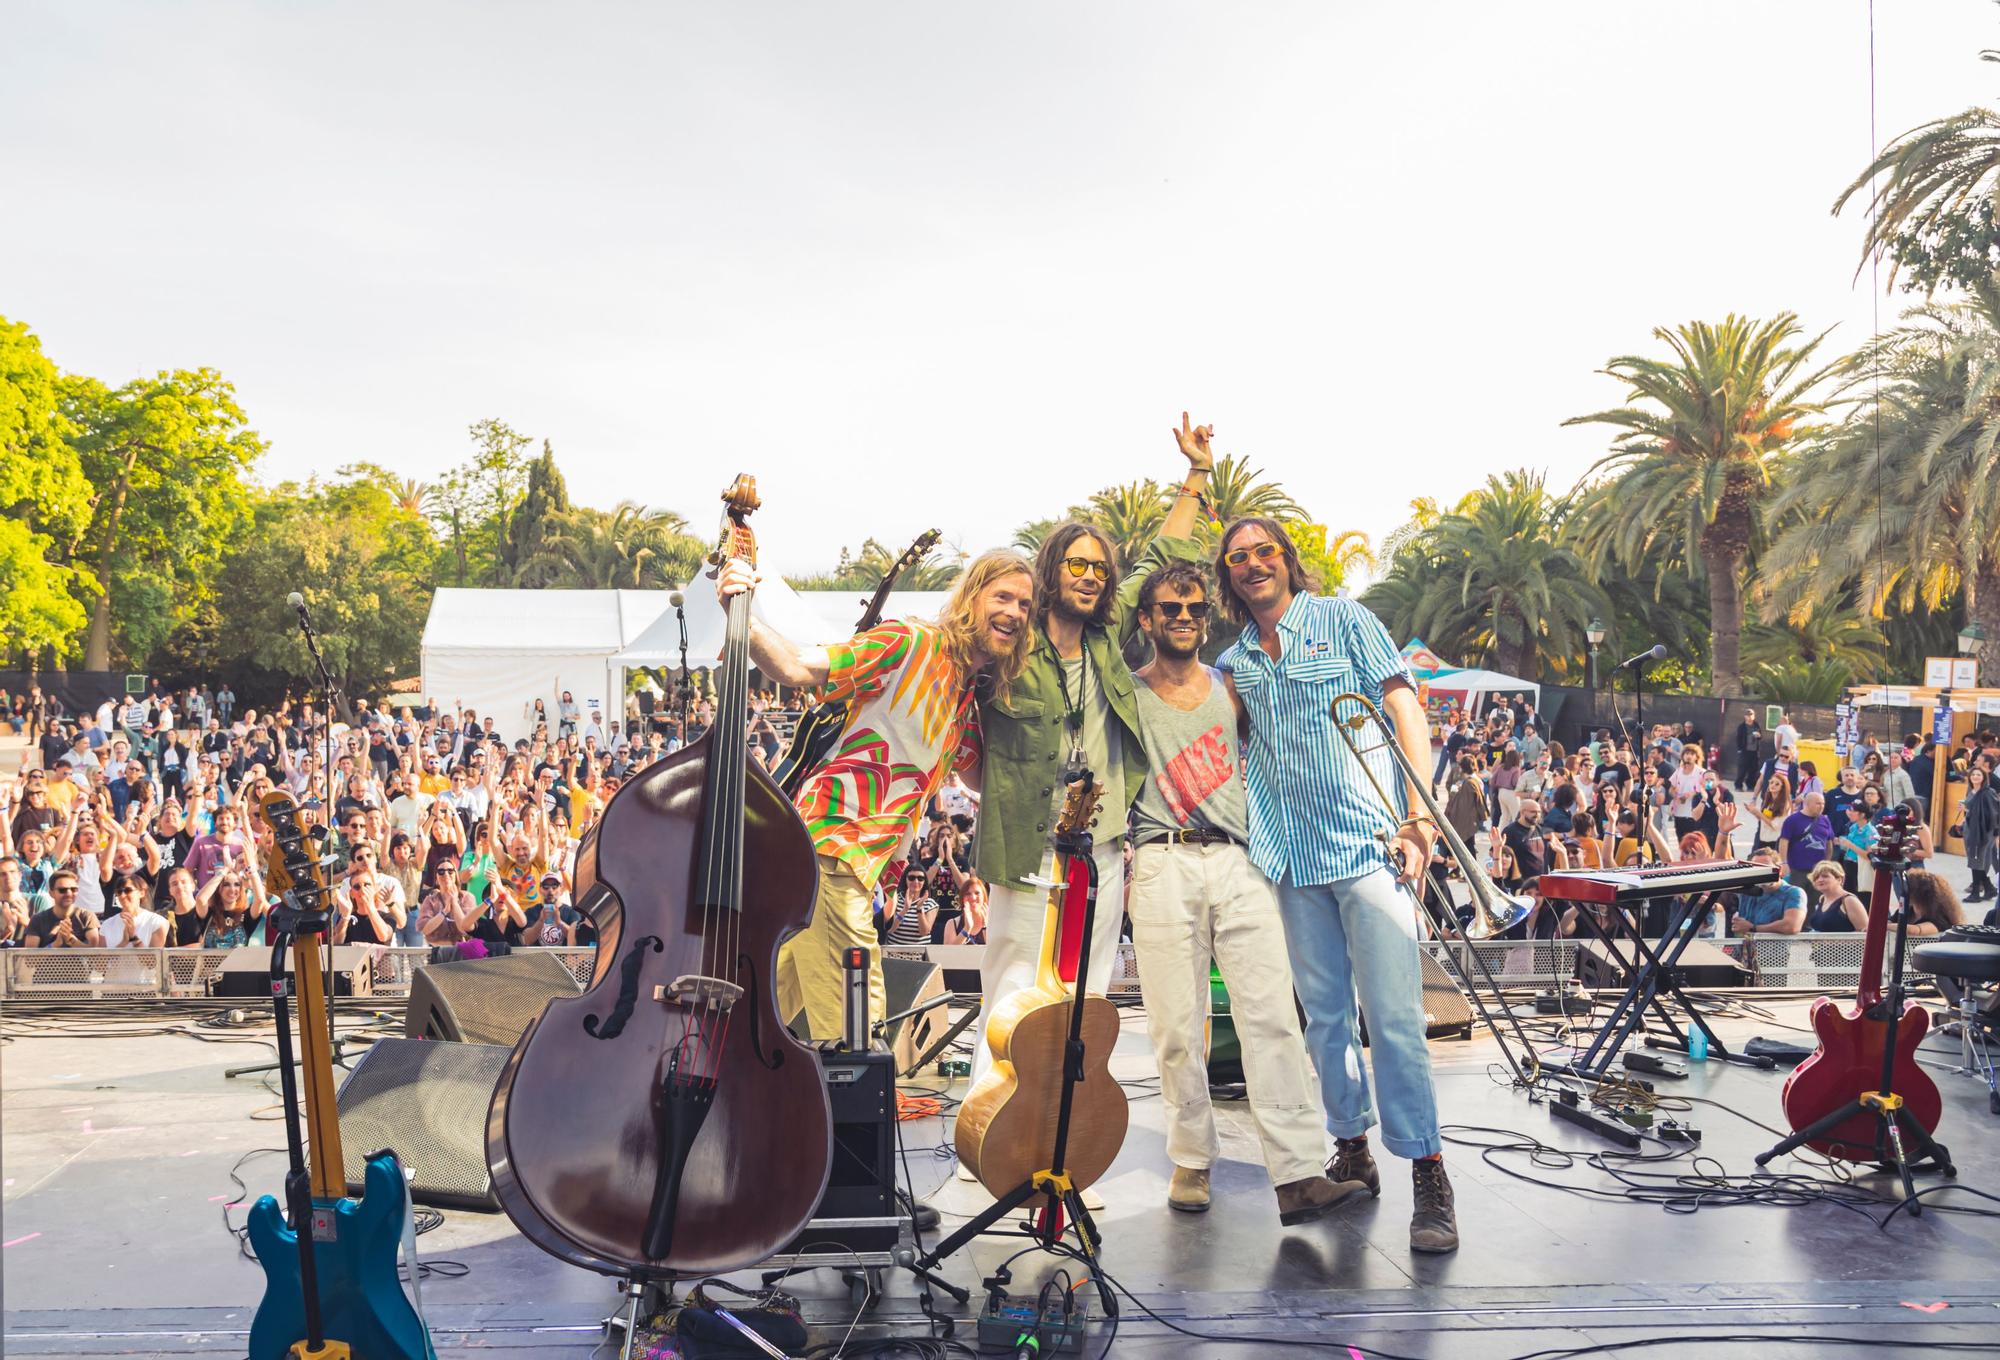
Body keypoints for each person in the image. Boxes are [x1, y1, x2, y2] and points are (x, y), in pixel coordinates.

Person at [1216, 514, 1459, 1255]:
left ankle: (1427, 1166)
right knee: (1324, 1021)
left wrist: (1419, 818)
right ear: (1228, 576)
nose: (1254, 565)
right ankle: (1351, 1145)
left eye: (1265, 553)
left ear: (1288, 562)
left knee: (1392, 1020)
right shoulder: (1233, 662)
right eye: (1239, 559)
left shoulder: (1344, 619)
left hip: (1367, 848)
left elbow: (1403, 704)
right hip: (1287, 859)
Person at [966, 413, 1213, 1108]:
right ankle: (988, 1145)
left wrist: (1194, 476)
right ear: (1052, 570)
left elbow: (1164, 552)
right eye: (1076, 564)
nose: (1090, 577)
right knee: (1013, 994)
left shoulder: (1108, 645)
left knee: (1085, 997)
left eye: (1099, 570)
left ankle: (1062, 1150)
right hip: (1024, 847)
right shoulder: (1009, 646)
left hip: (1098, 849)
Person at [718, 546, 1034, 1040]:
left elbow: (985, 780)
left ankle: (682, 1093)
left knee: (752, 1019)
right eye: (1003, 596)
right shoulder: (908, 644)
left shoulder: (965, 701)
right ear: (972, 597)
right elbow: (799, 666)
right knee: (860, 1031)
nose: (1014, 612)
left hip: (849, 869)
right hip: (829, 849)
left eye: (1025, 605)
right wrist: (739, 612)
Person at [1125, 560, 1357, 1225]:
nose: (1184, 619)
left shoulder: (1231, 686)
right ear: (1145, 619)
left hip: (1240, 861)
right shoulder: (1127, 692)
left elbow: (1290, 743)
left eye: (1196, 609)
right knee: (1175, 1026)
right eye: (1169, 608)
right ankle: (1192, 1158)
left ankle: (1297, 1173)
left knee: (1272, 1017)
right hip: (1161, 861)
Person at [1727, 848, 1807, 936]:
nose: (1761, 872)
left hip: (1774, 948)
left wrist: (1753, 928)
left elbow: (1791, 926)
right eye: (1756, 868)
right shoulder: (1747, 890)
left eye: (1766, 867)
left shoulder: (1793, 893)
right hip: (1743, 948)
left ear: (1779, 870)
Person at [24, 868, 102, 946]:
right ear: (51, 893)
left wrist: (71, 940)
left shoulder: (87, 916)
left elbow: (94, 953)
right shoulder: (38, 920)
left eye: (73, 889)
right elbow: (30, 956)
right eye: (62, 890)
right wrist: (55, 944)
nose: (69, 893)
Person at [1777, 790, 1834, 892]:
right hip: (1797, 870)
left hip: (1818, 871)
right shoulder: (1793, 820)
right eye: (1818, 803)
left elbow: (1829, 843)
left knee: (1815, 902)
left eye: (1823, 803)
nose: (1821, 806)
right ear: (1807, 804)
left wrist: (1827, 863)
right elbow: (1784, 842)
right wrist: (1784, 863)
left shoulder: (1825, 820)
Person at [1960, 763, 2000, 902]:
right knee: (1975, 860)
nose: (1975, 777)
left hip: (1983, 832)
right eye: (1973, 775)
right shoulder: (1971, 791)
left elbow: (1991, 814)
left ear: (1984, 778)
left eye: (1978, 775)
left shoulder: (1988, 793)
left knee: (1977, 859)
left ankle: (1976, 892)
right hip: (1971, 830)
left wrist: (1968, 810)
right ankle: (1989, 888)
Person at [1804, 860, 1867, 932]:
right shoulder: (1822, 899)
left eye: (1825, 876)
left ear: (1839, 879)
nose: (1820, 880)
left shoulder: (1849, 900)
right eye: (1816, 877)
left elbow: (1864, 932)